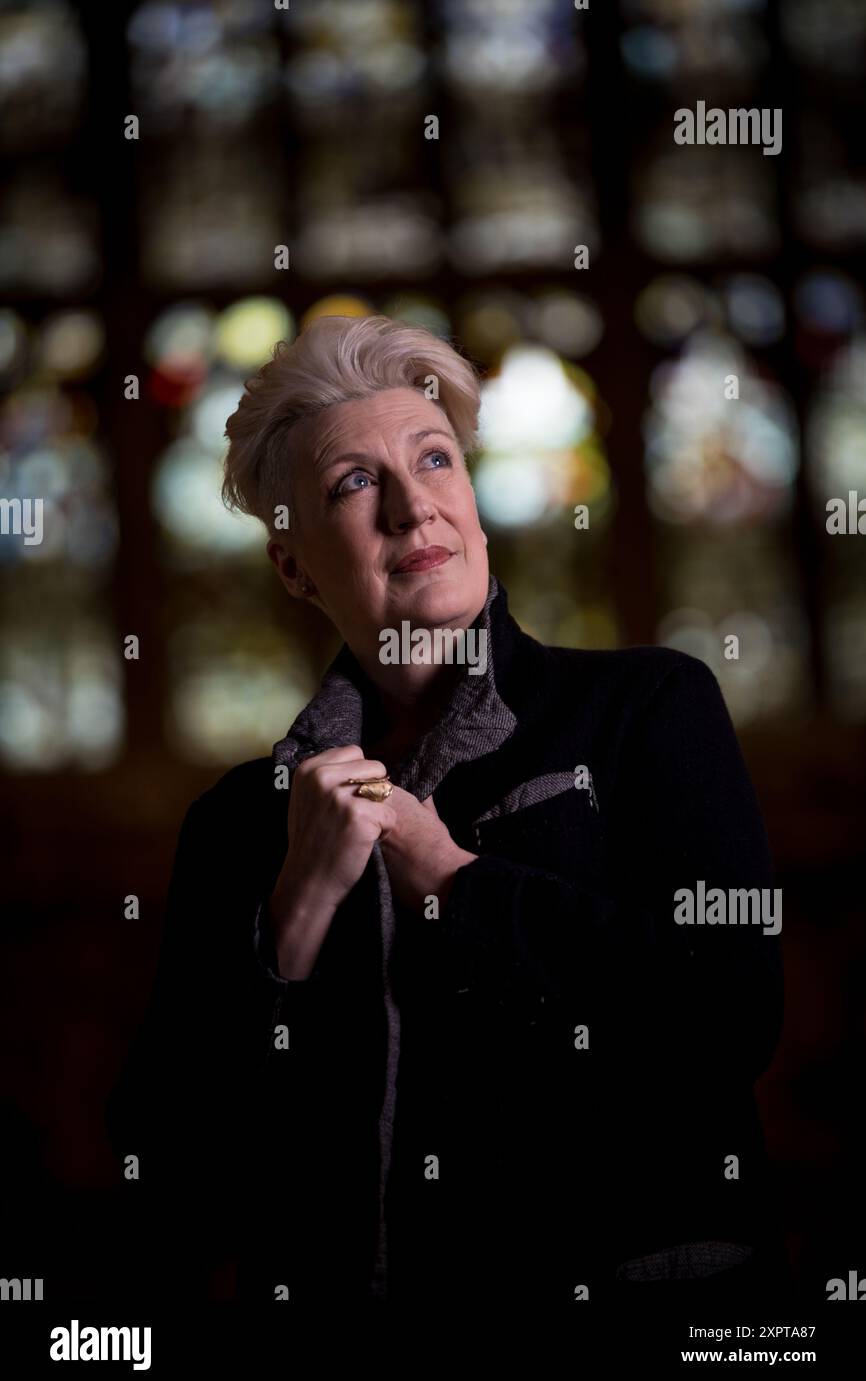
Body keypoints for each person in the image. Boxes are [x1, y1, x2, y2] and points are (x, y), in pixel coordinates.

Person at [105, 314, 787, 1311]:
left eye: (433, 459)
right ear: (292, 565)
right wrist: (292, 918)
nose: (411, 506)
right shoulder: (236, 827)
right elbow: (167, 1173)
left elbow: (730, 1017)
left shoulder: (647, 709)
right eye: (352, 483)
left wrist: (460, 889)